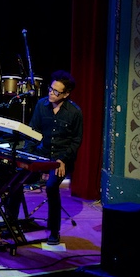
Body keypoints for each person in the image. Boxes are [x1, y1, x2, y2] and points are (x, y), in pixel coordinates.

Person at [22, 70, 83, 245]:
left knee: (51, 187)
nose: (51, 93)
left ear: (66, 94)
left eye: (56, 91)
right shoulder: (41, 105)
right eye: (51, 89)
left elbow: (76, 141)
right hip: (41, 155)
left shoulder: (75, 112)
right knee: (17, 177)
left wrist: (62, 159)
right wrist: (28, 156)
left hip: (61, 159)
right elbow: (32, 133)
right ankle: (11, 222)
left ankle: (54, 231)